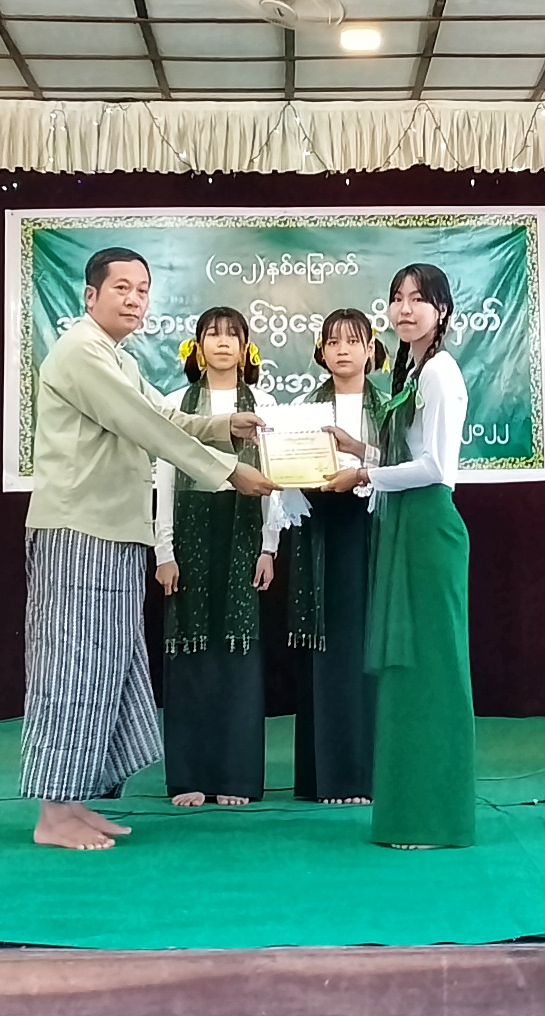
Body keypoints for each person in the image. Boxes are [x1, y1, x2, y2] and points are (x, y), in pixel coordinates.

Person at [22, 248, 279, 851]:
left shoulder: (117, 357)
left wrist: (224, 426)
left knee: (107, 666)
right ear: (90, 296)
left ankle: (75, 800)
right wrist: (228, 469)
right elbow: (147, 426)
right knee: (71, 667)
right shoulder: (81, 351)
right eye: (122, 288)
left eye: (142, 289)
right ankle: (52, 814)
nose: (135, 299)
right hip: (78, 531)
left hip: (114, 533)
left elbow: (161, 411)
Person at [321, 264, 474, 848]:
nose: (405, 309)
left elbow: (435, 466)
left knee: (432, 670)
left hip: (429, 526)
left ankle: (436, 818)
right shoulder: (412, 369)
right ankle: (408, 810)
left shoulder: (440, 371)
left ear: (442, 310)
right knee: (406, 674)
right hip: (404, 524)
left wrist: (364, 474)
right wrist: (359, 448)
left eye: (419, 299)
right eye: (397, 299)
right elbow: (405, 452)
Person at [152, 308, 289, 807]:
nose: (223, 342)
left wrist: (269, 547)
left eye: (233, 334)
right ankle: (189, 776)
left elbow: (275, 482)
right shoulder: (175, 404)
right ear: (198, 346)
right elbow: (164, 479)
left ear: (247, 347)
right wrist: (164, 550)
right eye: (213, 334)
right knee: (189, 654)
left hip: (242, 532)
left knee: (238, 654)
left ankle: (236, 777)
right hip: (190, 535)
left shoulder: (265, 406)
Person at [286, 309, 386, 805]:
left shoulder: (391, 409)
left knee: (370, 648)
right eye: (333, 342)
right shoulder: (302, 410)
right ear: (321, 352)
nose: (343, 350)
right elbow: (286, 476)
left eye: (353, 341)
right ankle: (326, 778)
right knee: (327, 651)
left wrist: (364, 462)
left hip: (373, 530)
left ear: (371, 350)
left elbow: (406, 464)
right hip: (320, 533)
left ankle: (370, 775)